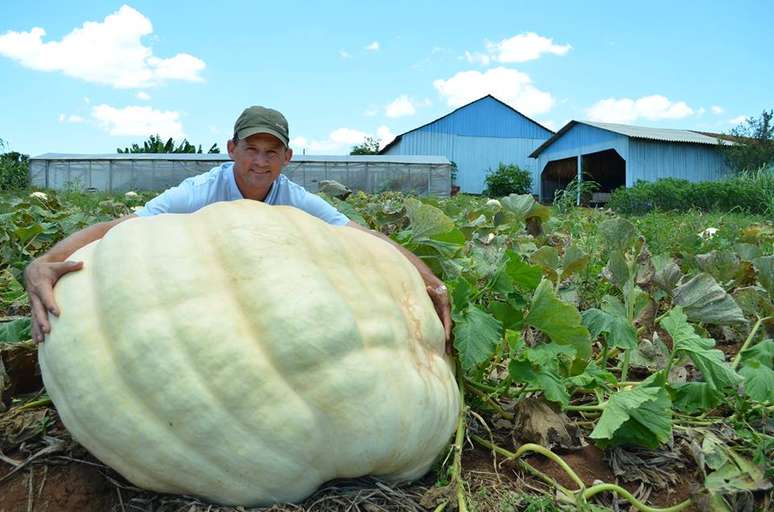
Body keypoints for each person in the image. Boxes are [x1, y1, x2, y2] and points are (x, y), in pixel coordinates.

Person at [24, 106, 452, 347]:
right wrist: (45, 261)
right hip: (202, 298)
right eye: (251, 149)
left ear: (287, 158)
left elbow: (363, 236)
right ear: (232, 149)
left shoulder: (295, 198)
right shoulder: (199, 192)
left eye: (272, 152)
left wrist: (432, 282)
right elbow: (122, 227)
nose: (260, 162)